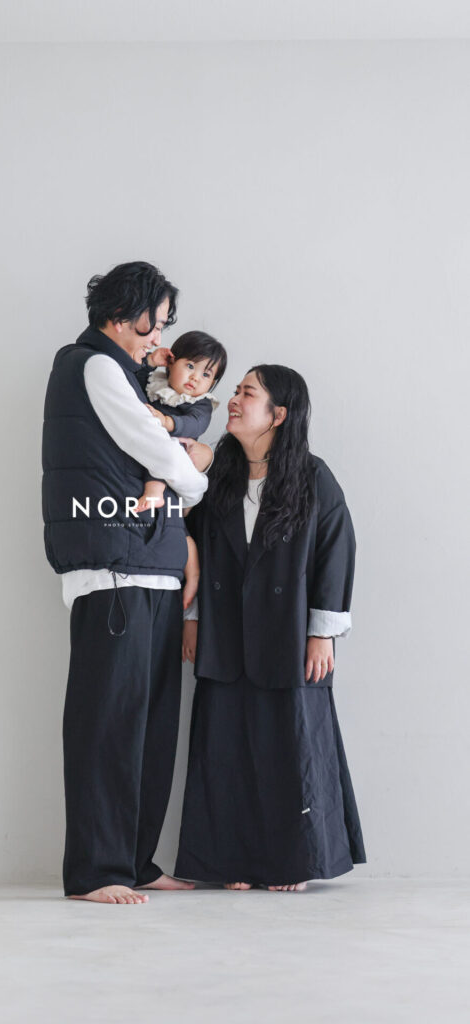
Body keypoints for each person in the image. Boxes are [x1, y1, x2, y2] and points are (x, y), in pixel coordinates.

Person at [41, 261, 214, 904]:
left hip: (151, 571)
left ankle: (134, 860)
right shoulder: (93, 366)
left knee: (151, 728)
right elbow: (158, 451)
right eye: (156, 323)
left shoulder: (129, 373)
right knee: (108, 726)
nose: (159, 338)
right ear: (125, 314)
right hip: (114, 573)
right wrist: (197, 481)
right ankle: (96, 870)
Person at [175, 365, 366, 892]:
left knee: (292, 746)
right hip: (224, 635)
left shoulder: (312, 477)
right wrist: (192, 619)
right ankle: (230, 862)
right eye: (236, 391)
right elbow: (194, 550)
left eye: (248, 393)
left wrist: (322, 632)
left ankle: (293, 863)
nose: (234, 400)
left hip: (289, 637)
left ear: (279, 414)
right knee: (224, 749)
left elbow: (336, 550)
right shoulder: (217, 475)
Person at [134, 331, 228, 609]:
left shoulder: (201, 403)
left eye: (206, 374)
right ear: (171, 363)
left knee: (164, 456)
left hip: (177, 460)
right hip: (153, 458)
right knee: (178, 527)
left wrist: (168, 422)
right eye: (190, 366)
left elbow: (195, 424)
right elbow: (132, 382)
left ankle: (154, 491)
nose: (195, 378)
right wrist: (150, 361)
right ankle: (193, 570)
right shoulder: (155, 384)